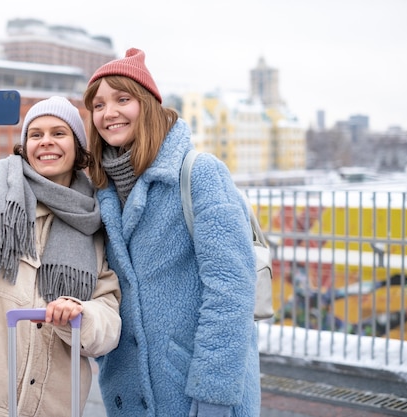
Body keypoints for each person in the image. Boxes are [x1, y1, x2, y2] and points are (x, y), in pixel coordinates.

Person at [0, 85, 122, 417]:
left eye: (59, 133)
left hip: (51, 407)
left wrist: (79, 315)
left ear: (79, 148)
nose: (46, 141)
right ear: (25, 145)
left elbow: (108, 318)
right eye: (36, 134)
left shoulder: (95, 222)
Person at [82, 48, 261, 416]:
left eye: (122, 99)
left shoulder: (198, 173)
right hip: (130, 394)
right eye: (98, 105)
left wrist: (213, 396)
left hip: (195, 394)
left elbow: (231, 288)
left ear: (147, 105)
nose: (108, 113)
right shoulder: (103, 192)